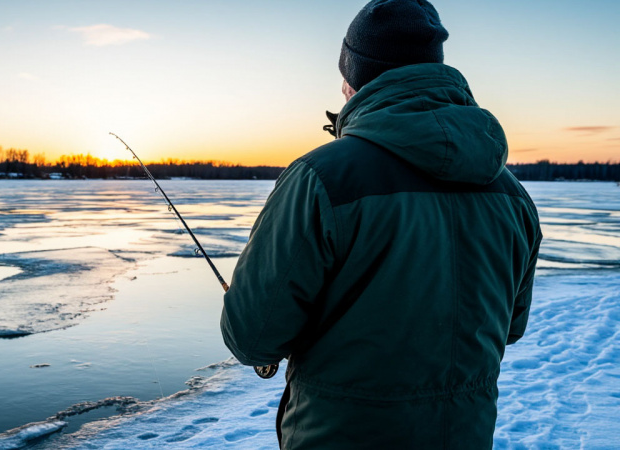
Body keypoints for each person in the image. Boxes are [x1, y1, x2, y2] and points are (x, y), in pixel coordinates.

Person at [219, 0, 542, 448]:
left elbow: (253, 338)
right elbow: (510, 327)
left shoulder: (322, 178)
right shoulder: (512, 195)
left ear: (354, 80)